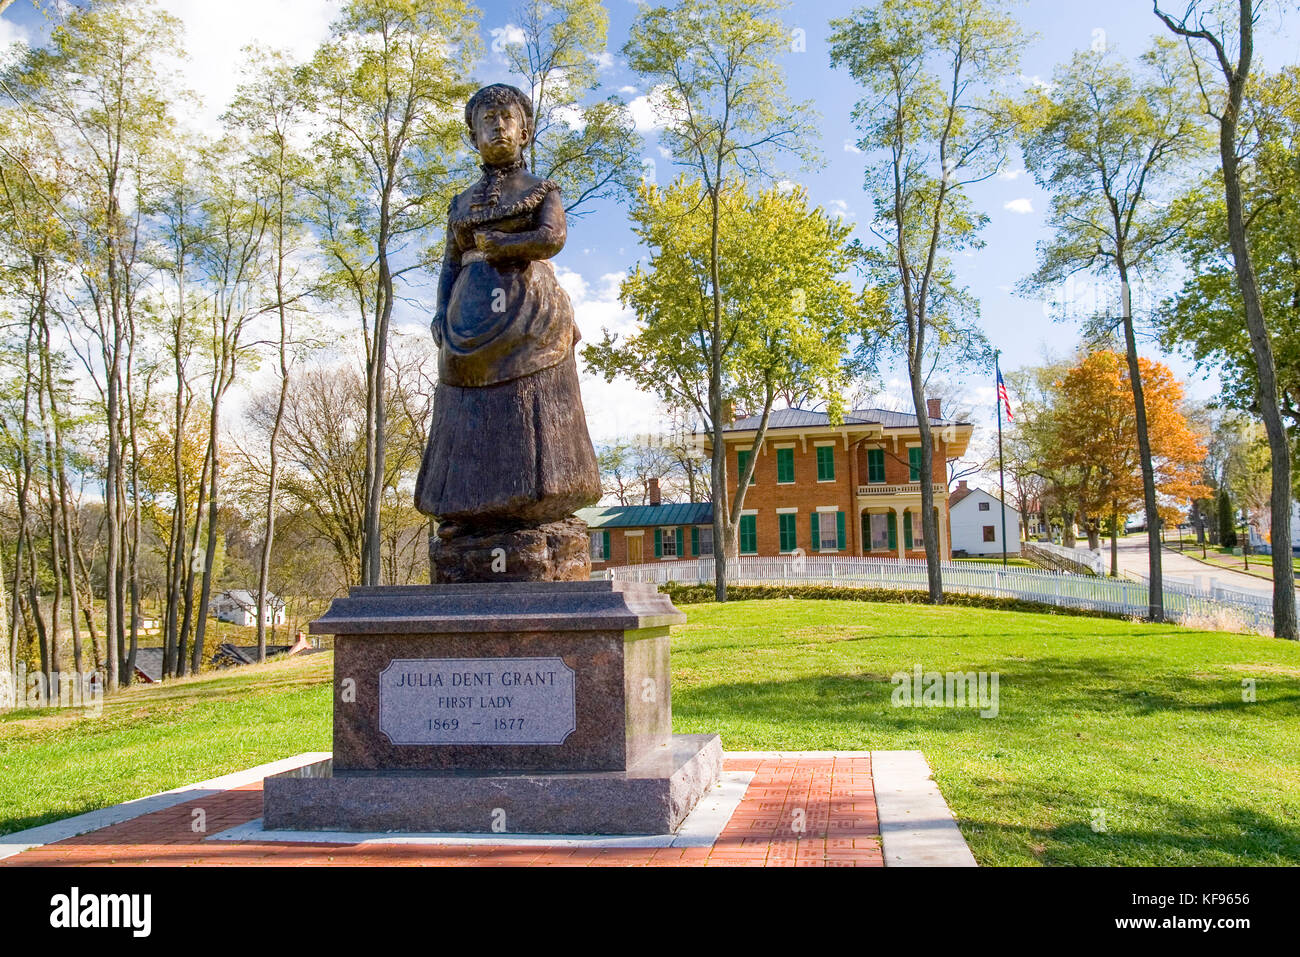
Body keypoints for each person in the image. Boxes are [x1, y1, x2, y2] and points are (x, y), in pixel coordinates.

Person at [414, 84, 600, 580]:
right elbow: (451, 262)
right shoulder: (460, 203)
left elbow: (552, 237)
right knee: (464, 402)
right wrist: (439, 311)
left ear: (525, 129)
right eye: (487, 119)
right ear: (472, 135)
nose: (497, 126)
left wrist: (500, 244)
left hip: (528, 309)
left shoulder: (542, 188)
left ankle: (539, 487)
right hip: (467, 316)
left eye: (506, 117)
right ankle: (466, 499)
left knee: (528, 397)